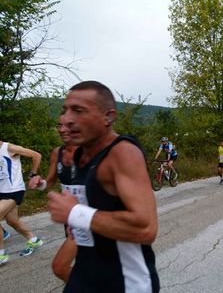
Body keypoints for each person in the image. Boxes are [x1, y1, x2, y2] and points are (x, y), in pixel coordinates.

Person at [47, 81, 159, 292]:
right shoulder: (80, 155)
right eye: (65, 110)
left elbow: (146, 229)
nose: (66, 119)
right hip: (86, 272)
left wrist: (74, 213)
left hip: (125, 282)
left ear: (108, 117)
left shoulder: (122, 153)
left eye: (78, 111)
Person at [29, 117, 78, 282]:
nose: (62, 129)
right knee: (80, 262)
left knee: (61, 267)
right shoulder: (58, 152)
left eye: (68, 125)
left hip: (91, 216)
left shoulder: (91, 151)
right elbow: (49, 181)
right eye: (59, 125)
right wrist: (39, 183)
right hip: (70, 217)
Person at [0, 140, 43, 265]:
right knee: (12, 220)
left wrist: (33, 174)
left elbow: (36, 155)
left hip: (14, 190)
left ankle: (1, 255)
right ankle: (33, 239)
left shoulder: (9, 148)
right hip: (2, 192)